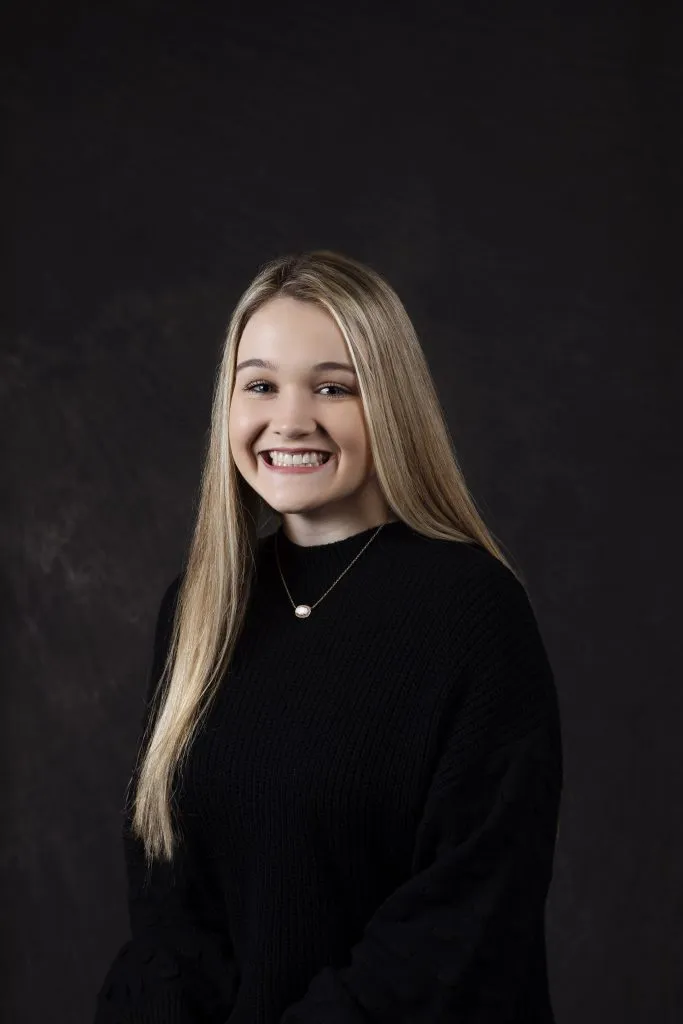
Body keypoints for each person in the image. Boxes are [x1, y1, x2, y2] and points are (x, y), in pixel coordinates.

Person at [94, 250, 563, 1023]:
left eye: (333, 387)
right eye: (260, 384)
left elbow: (466, 920)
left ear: (390, 402)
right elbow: (168, 919)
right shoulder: (200, 609)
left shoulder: (473, 609)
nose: (290, 420)